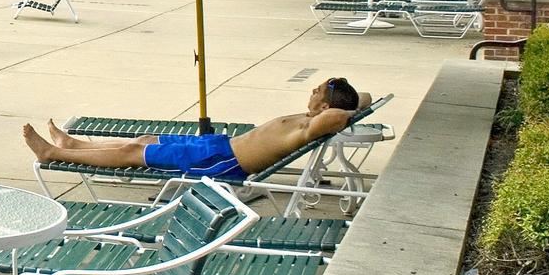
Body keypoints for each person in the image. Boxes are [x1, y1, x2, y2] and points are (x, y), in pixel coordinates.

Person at [20, 78, 369, 181]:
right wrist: (343, 96)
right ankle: (75, 144)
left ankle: (53, 152)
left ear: (326, 107)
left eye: (318, 91)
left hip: (221, 161)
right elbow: (363, 97)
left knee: (133, 155)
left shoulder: (316, 124)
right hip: (219, 146)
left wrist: (341, 106)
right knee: (144, 140)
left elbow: (341, 115)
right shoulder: (311, 117)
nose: (312, 91)